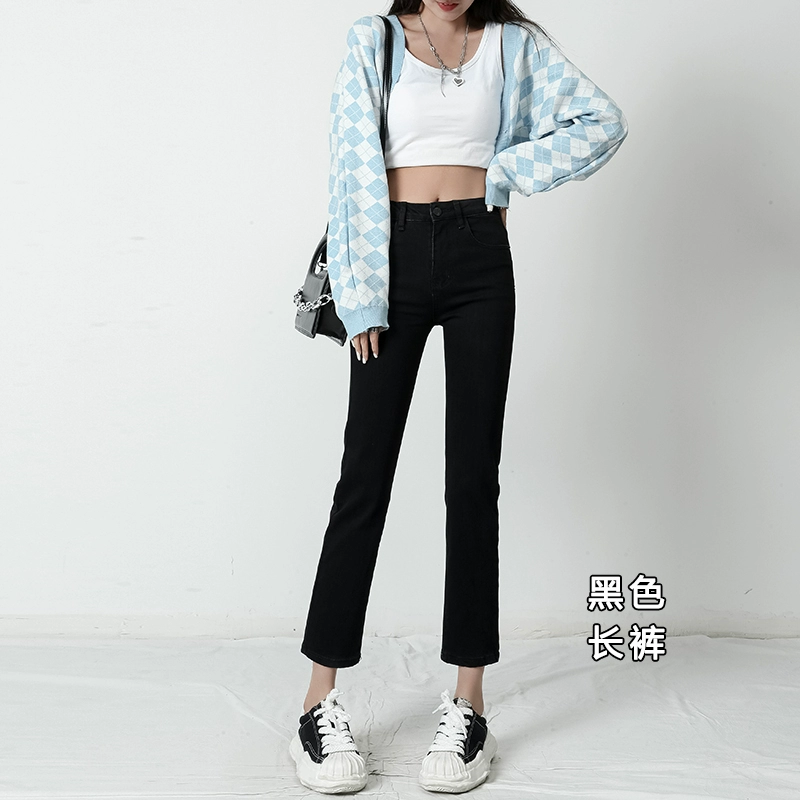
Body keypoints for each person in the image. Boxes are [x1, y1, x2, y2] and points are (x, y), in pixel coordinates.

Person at [289, 0, 628, 793]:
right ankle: (316, 703)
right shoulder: (374, 40)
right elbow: (350, 168)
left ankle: (469, 703)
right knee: (364, 477)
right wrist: (361, 295)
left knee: (473, 479)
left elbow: (602, 121)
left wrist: (507, 172)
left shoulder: (511, 47)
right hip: (391, 259)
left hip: (481, 257)